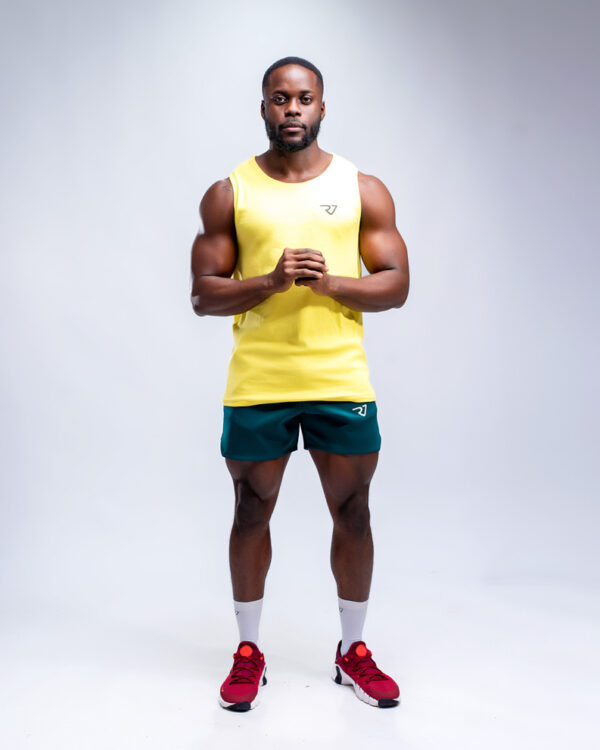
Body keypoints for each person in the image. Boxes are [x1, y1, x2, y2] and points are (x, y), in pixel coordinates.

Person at [190, 56, 409, 711]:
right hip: (259, 383)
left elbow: (396, 282)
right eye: (279, 98)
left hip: (338, 376)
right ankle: (249, 650)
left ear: (321, 107)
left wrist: (334, 282)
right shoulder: (229, 194)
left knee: (354, 511)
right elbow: (203, 296)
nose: (292, 109)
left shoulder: (362, 187)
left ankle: (351, 651)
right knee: (251, 511)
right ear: (263, 106)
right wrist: (269, 281)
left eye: (304, 98)